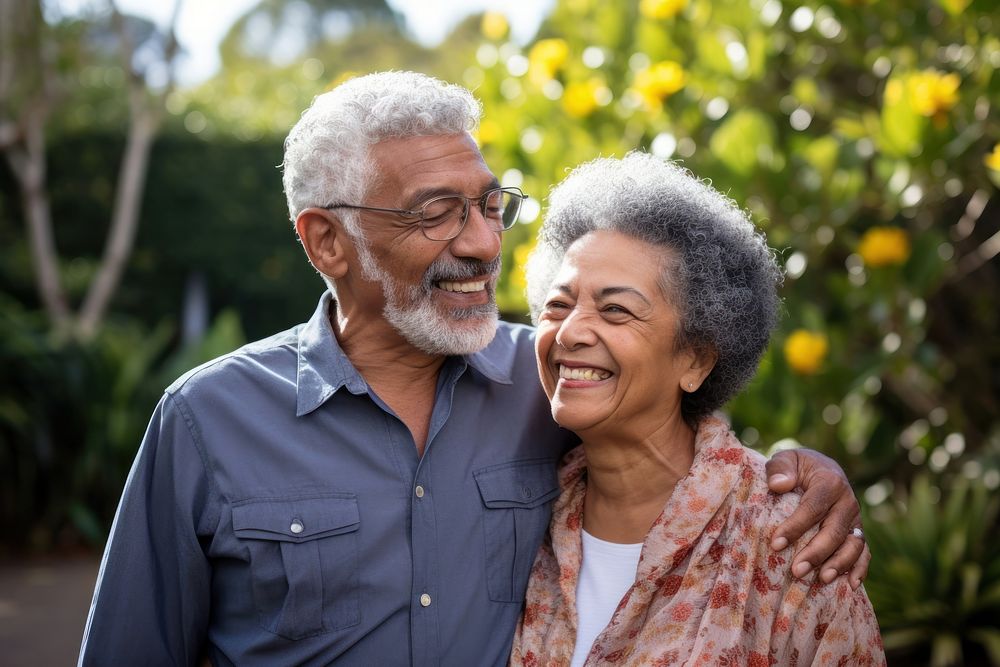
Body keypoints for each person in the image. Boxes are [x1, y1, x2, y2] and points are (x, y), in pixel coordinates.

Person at [79, 72, 868, 666]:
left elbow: (681, 436)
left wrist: (805, 475)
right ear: (327, 241)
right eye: (436, 212)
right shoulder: (208, 420)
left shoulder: (553, 380)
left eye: (491, 204)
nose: (484, 244)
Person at [510, 153, 884, 666]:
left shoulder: (791, 548)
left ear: (696, 359)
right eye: (558, 304)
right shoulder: (520, 515)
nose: (571, 331)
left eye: (616, 309)